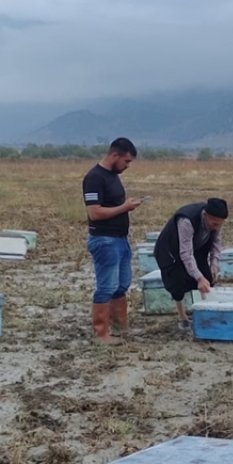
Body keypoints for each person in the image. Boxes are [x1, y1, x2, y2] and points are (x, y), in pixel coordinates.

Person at [83, 137, 141, 343]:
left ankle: (120, 326)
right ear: (115, 155)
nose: (127, 166)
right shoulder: (94, 178)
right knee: (107, 287)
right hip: (104, 240)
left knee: (122, 285)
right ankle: (101, 333)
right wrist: (125, 207)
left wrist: (126, 205)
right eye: (126, 161)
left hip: (120, 239)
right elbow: (94, 213)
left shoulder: (113, 176)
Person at [153, 198, 228, 330]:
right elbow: (186, 254)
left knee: (207, 278)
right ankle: (182, 317)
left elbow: (216, 244)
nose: (217, 227)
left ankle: (206, 313)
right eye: (215, 223)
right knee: (177, 283)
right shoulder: (186, 221)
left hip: (196, 248)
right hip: (171, 251)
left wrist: (214, 264)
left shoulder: (216, 222)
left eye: (219, 224)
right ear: (206, 216)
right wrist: (198, 278)